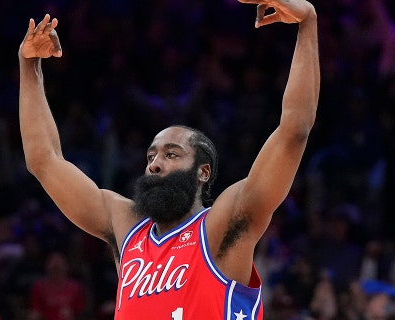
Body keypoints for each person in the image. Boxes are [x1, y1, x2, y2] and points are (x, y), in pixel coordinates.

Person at [18, 0, 319, 319]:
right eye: (151, 156)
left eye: (171, 153)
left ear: (203, 172)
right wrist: (29, 66)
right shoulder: (127, 226)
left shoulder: (222, 226)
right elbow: (44, 161)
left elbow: (294, 130)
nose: (155, 163)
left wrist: (308, 24)